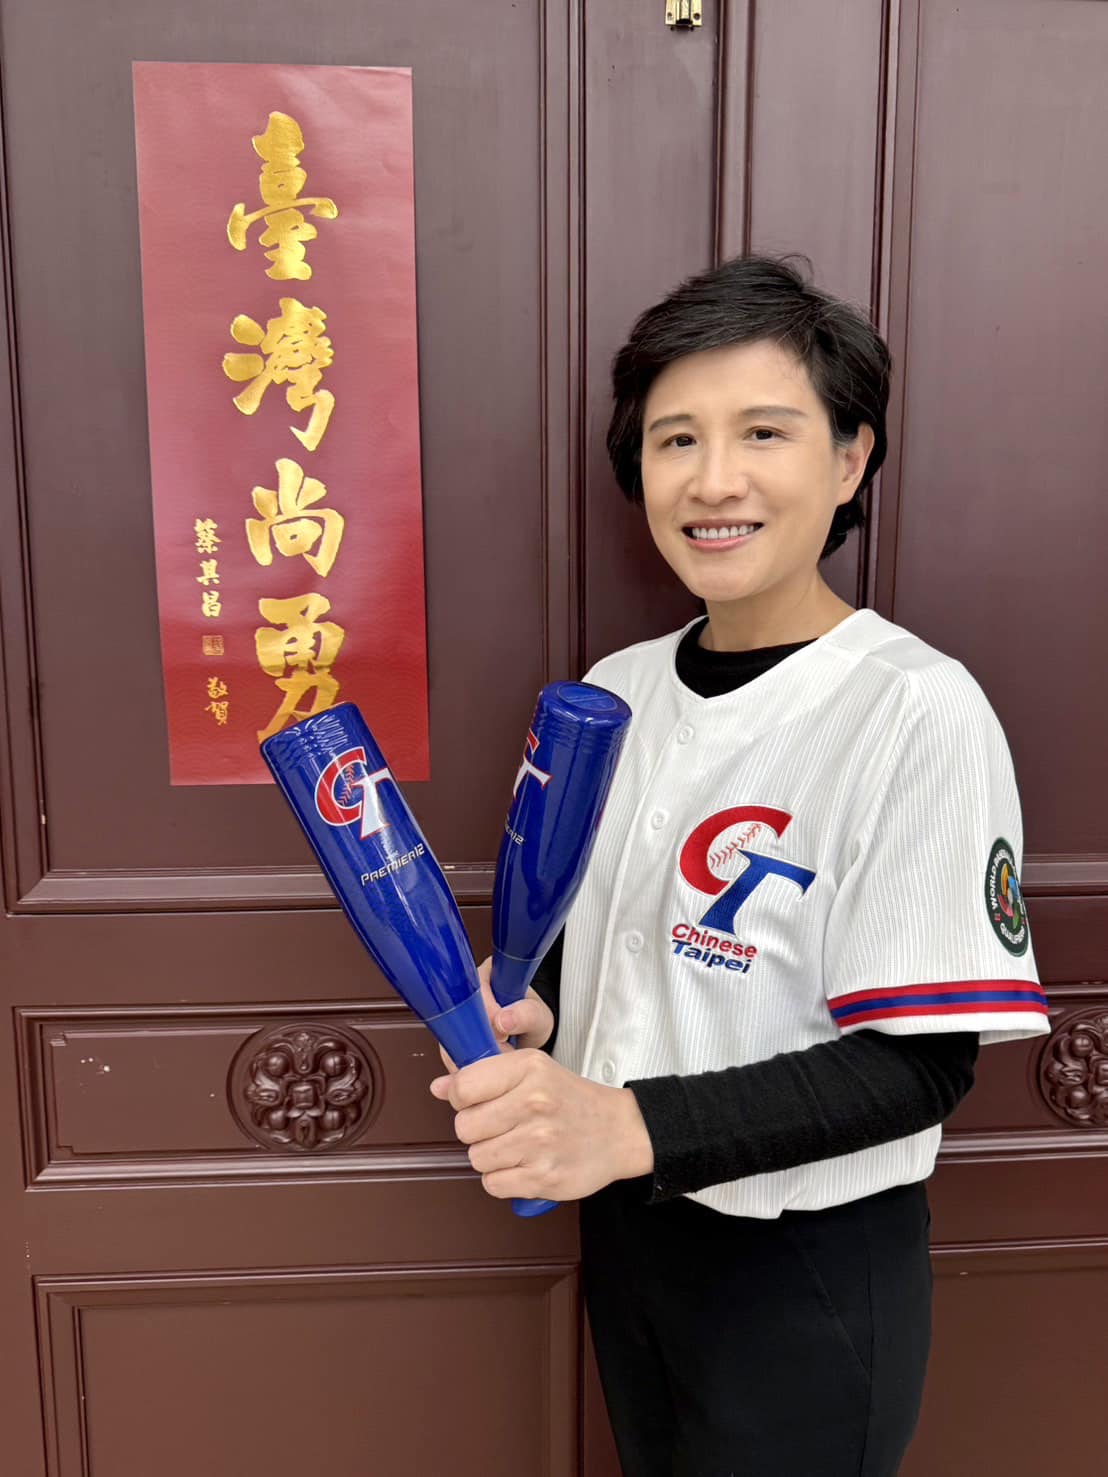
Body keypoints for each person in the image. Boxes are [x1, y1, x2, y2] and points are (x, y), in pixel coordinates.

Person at [430, 254, 1049, 1475]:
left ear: (849, 459)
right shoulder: (615, 692)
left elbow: (919, 1064)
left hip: (803, 1264)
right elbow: (607, 946)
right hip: (632, 1232)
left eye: (764, 431)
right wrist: (541, 1017)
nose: (712, 480)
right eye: (676, 439)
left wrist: (625, 1123)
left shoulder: (913, 708)